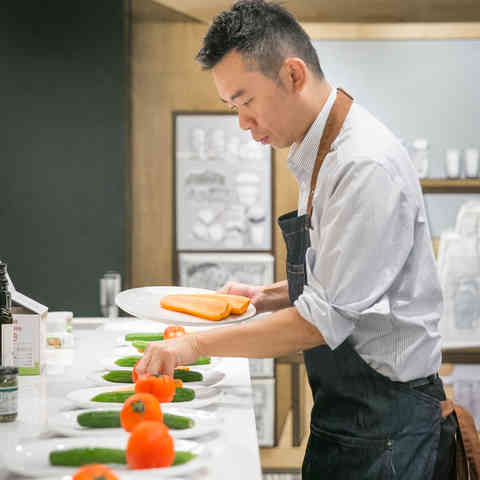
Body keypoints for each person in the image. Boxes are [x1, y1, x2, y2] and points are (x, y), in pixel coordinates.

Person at [136, 1, 457, 478]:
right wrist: (265, 296)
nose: (242, 122)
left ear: (292, 75)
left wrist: (195, 345)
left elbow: (321, 320)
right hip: (352, 413)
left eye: (246, 101)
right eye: (232, 107)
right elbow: (347, 281)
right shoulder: (321, 149)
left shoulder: (362, 165)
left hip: (388, 424)